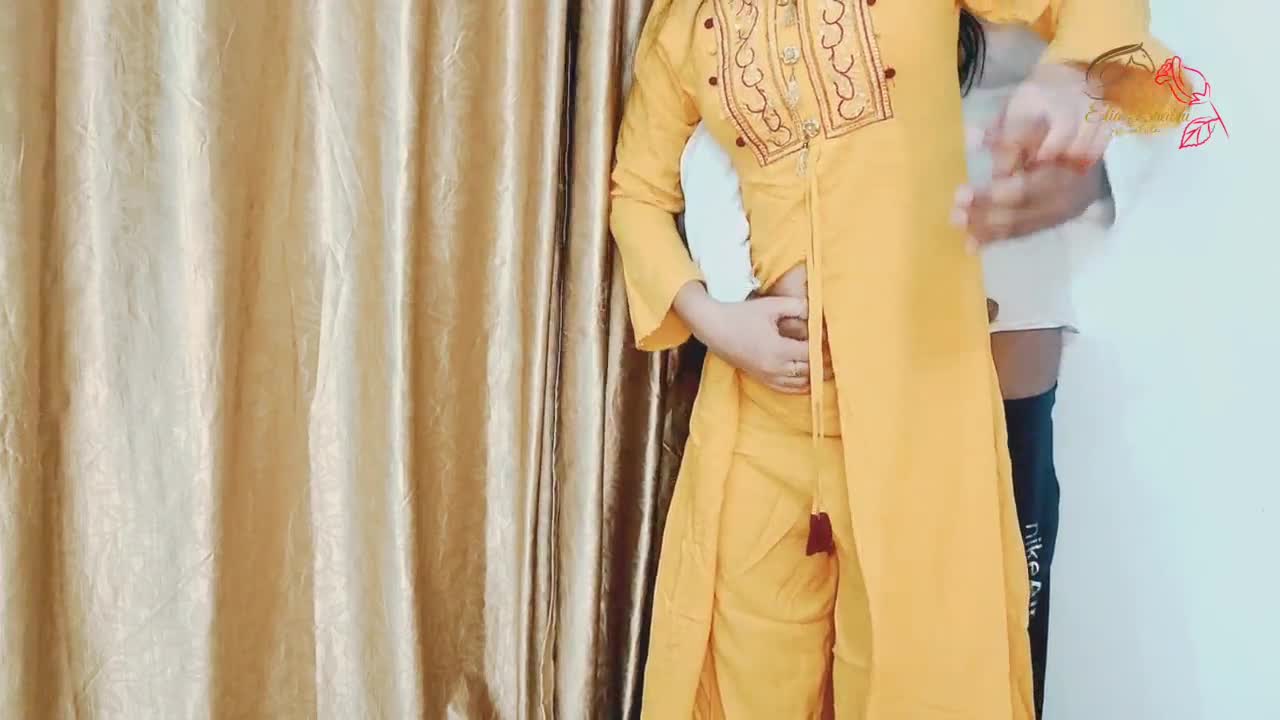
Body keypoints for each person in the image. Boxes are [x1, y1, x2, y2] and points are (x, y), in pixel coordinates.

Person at [609, 2, 1180, 717]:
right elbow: (637, 191)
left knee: (919, 677)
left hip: (917, 407)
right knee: (743, 680)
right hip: (762, 413)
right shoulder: (685, 23)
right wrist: (715, 322)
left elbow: (1098, 15)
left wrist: (1074, 71)